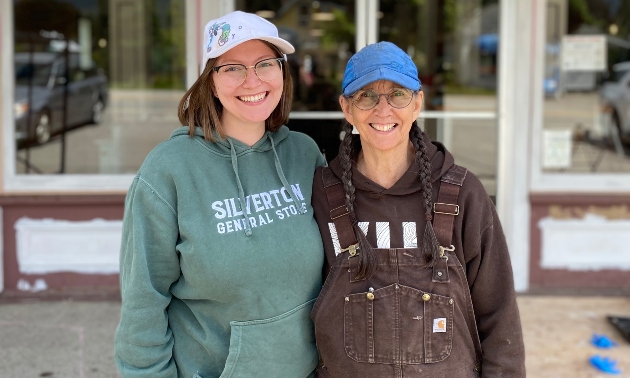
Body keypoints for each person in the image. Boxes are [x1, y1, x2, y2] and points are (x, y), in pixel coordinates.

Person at [114, 11, 326, 378]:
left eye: (265, 64)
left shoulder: (305, 154)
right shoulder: (169, 170)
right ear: (210, 82)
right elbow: (142, 301)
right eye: (232, 68)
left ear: (283, 73)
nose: (252, 80)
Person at [310, 41, 525, 377]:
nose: (383, 110)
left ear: (417, 104)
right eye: (366, 96)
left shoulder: (461, 194)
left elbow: (500, 319)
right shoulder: (323, 196)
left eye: (398, 94)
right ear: (347, 108)